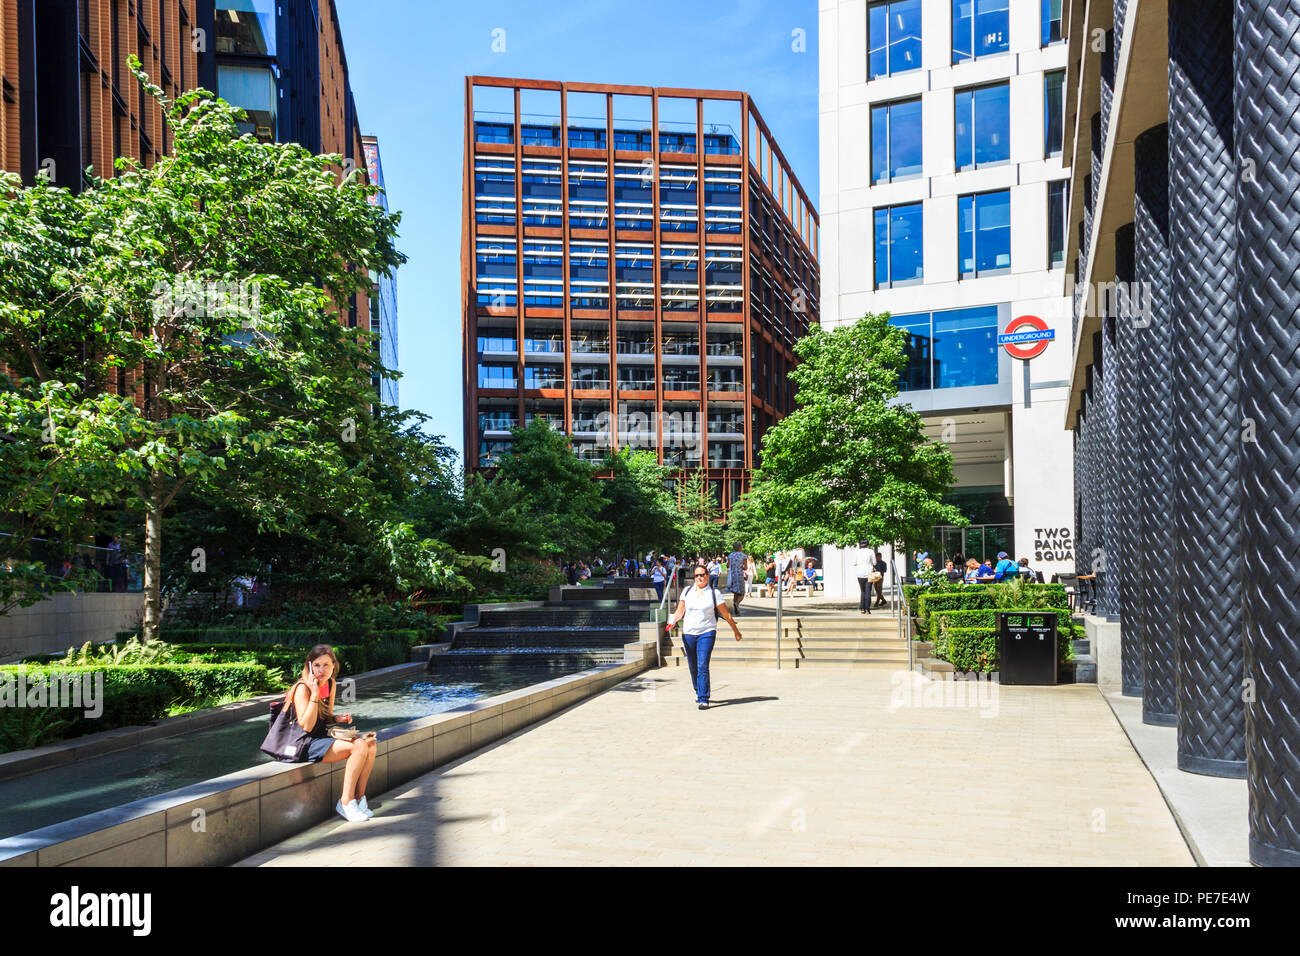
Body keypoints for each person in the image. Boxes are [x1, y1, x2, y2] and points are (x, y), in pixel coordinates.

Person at [280, 645, 377, 823]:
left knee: (370, 743)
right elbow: (307, 727)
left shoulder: (330, 683)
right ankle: (345, 802)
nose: (321, 670)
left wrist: (336, 718)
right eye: (316, 665)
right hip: (301, 743)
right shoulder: (302, 688)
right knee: (359, 746)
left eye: (326, 665)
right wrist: (314, 693)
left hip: (319, 737)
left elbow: (323, 718)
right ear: (309, 666)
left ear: (333, 666)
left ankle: (359, 799)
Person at [665, 564, 742, 709]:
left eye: (702, 575)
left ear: (707, 576)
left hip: (707, 632)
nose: (699, 578)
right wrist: (671, 622)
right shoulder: (687, 592)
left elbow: (726, 615)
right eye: (696, 575)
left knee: (702, 665)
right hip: (688, 633)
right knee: (693, 666)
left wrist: (736, 631)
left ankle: (703, 698)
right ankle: (698, 689)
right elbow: (679, 612)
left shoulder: (714, 593)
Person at [726, 542, 747, 615]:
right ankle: (737, 604)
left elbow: (728, 566)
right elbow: (746, 567)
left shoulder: (730, 555)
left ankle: (736, 608)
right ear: (740, 547)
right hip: (739, 575)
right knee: (742, 593)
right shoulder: (743, 556)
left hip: (732, 575)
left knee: (735, 592)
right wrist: (740, 566)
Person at [854, 549, 875, 614]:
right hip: (869, 573)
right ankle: (867, 609)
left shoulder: (857, 551)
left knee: (862, 591)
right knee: (868, 591)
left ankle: (862, 608)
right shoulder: (871, 551)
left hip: (860, 573)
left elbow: (854, 563)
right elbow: (875, 563)